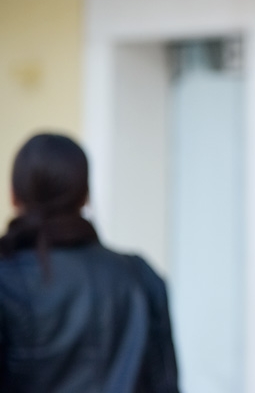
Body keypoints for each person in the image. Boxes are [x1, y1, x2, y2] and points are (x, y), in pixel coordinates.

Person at [0, 133, 179, 392]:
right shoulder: (140, 276)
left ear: (13, 196)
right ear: (85, 196)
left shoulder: (7, 281)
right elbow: (165, 384)